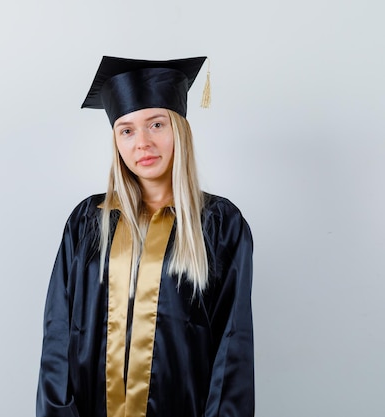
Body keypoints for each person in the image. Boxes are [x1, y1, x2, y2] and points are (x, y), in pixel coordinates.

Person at [36, 56, 254, 417]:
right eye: (127, 129)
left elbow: (232, 348)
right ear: (116, 140)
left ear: (180, 130)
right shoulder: (88, 222)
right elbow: (58, 338)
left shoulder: (219, 224)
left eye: (156, 124)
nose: (142, 143)